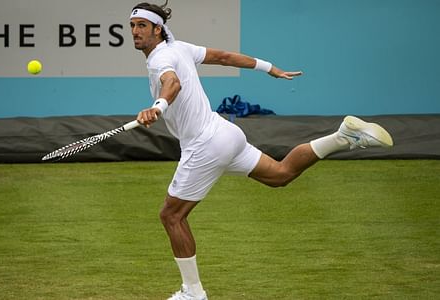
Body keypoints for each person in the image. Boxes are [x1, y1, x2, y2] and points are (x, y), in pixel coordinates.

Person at [129, 2, 393, 299]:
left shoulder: (159, 58)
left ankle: (193, 293)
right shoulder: (181, 48)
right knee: (280, 175)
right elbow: (225, 57)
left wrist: (158, 106)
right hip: (226, 133)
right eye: (133, 26)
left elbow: (172, 82)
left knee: (171, 216)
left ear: (157, 29)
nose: (135, 32)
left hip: (205, 144)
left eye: (142, 25)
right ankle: (343, 137)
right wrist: (269, 68)